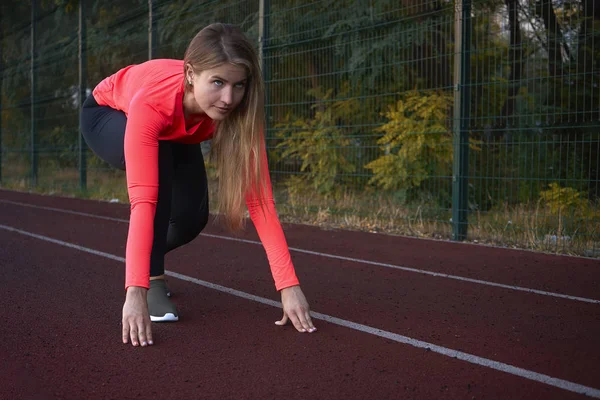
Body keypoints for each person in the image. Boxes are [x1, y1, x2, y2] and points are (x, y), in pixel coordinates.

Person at [80, 23, 316, 347]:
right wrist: (135, 291)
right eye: (217, 82)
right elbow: (144, 201)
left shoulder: (235, 111)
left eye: (239, 85)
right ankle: (153, 276)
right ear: (191, 74)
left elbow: (260, 202)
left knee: (192, 218)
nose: (228, 98)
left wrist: (289, 287)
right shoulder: (152, 102)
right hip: (108, 113)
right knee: (158, 168)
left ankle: (145, 256)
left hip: (179, 125)